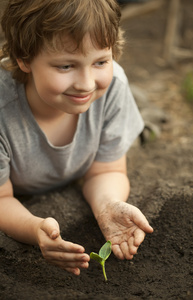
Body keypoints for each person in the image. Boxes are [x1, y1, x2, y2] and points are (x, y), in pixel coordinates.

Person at [0, 0, 153, 276]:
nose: (86, 83)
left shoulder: (113, 88)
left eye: (100, 62)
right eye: (66, 66)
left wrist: (107, 205)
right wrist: (35, 229)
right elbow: (1, 199)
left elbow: (106, 170)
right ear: (23, 58)